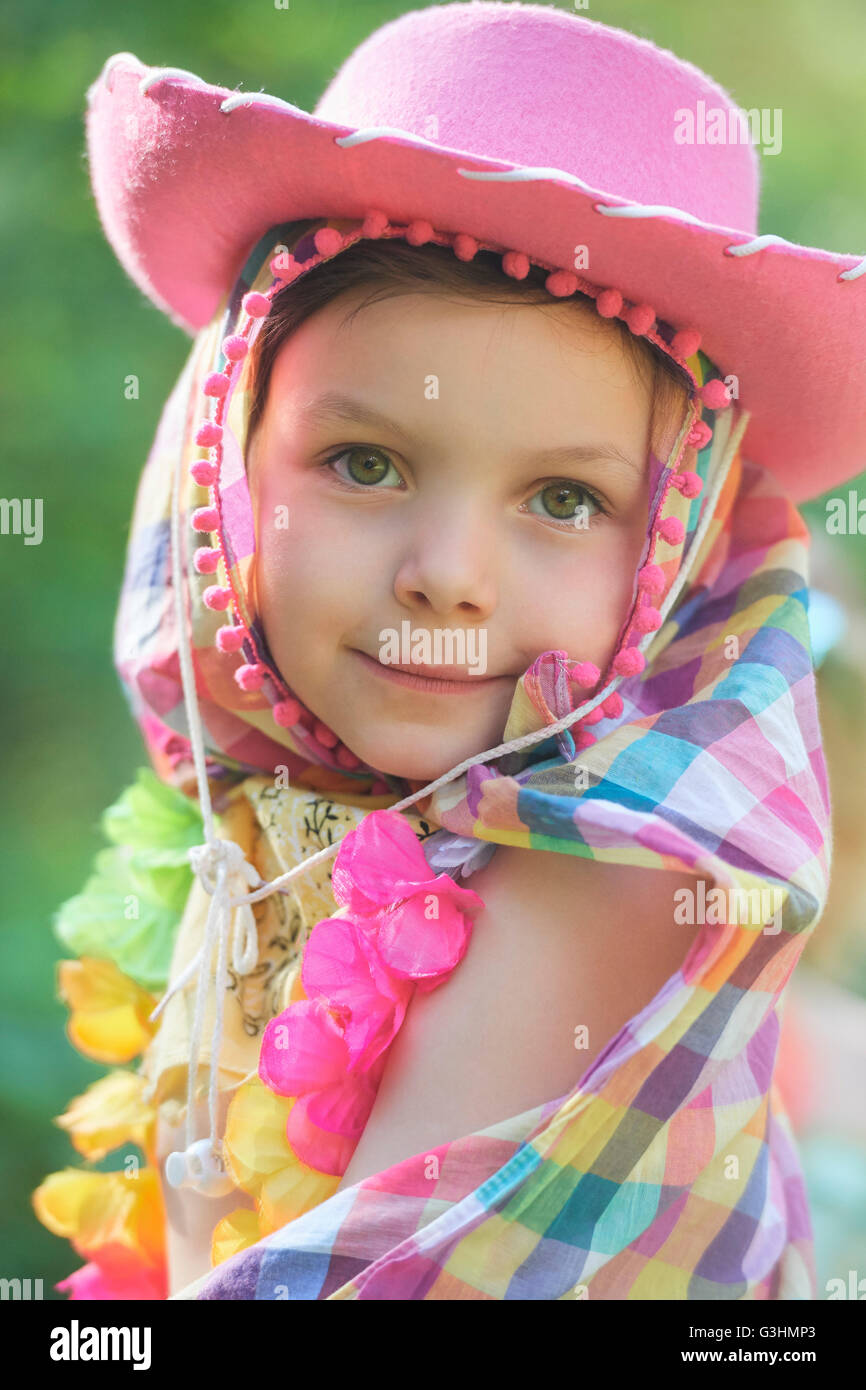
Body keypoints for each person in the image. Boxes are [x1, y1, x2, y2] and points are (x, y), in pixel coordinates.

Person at [33, 2, 864, 1301]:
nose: (447, 573)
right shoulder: (263, 829)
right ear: (229, 483)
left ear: (677, 552)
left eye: (562, 498)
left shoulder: (601, 878)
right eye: (363, 463)